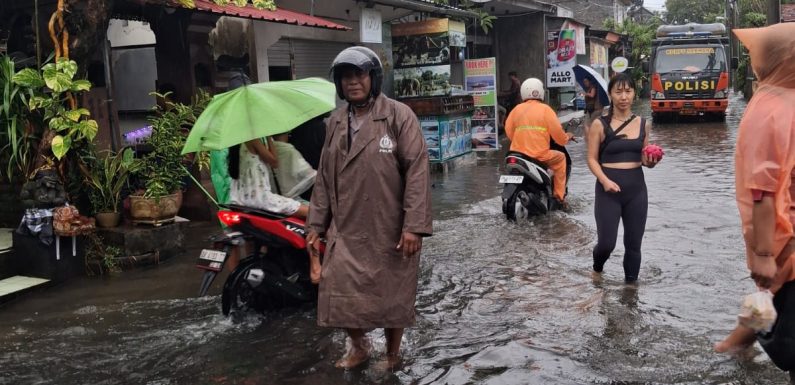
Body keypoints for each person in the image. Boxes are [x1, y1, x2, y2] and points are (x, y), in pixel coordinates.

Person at [305, 46, 433, 371]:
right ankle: (359, 346)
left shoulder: (398, 116)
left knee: (392, 294)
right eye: (345, 77)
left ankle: (392, 354)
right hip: (346, 228)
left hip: (387, 225)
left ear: (373, 78)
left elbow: (417, 170)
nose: (352, 82)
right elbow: (323, 178)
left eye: (359, 75)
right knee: (336, 287)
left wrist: (414, 226)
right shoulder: (334, 122)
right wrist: (315, 225)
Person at [713, 24, 795, 377]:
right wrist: (763, 253)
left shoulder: (783, 101)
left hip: (784, 232)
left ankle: (734, 346)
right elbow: (762, 188)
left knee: (778, 300)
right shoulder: (771, 109)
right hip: (781, 235)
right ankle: (733, 347)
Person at [587, 72, 660, 283]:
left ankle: (631, 290)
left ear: (634, 94)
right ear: (610, 94)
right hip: (608, 191)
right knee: (607, 243)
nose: (624, 96)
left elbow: (644, 158)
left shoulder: (643, 124)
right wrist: (605, 181)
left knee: (634, 244)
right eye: (618, 92)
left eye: (628, 91)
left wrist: (651, 162)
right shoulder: (599, 125)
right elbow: (592, 159)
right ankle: (597, 268)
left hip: (636, 191)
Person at [504, 77, 575, 209]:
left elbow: (509, 132)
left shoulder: (516, 110)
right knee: (561, 158)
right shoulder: (546, 110)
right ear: (541, 92)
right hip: (539, 155)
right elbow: (559, 137)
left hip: (517, 154)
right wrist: (567, 137)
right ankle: (558, 198)